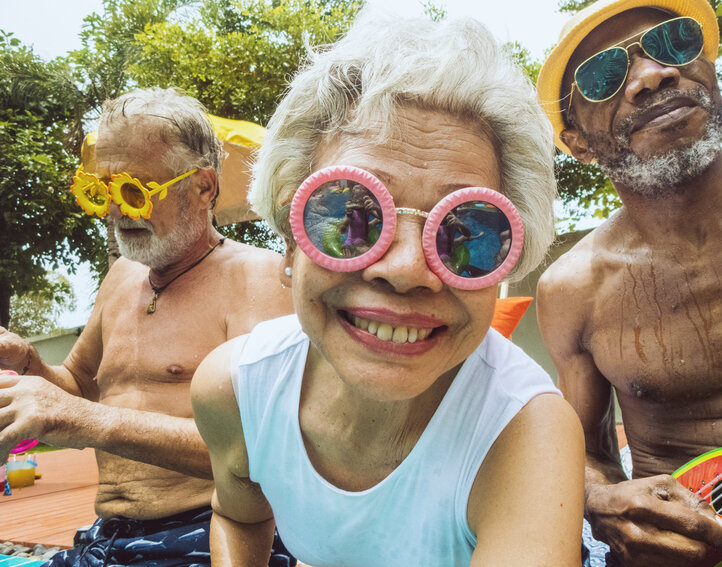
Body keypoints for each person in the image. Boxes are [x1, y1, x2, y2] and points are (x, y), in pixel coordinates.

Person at [190, 11, 585, 567]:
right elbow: (236, 514)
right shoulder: (237, 388)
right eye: (349, 218)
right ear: (288, 245)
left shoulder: (523, 432)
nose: (405, 269)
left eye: (467, 232)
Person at [534, 0, 722, 565]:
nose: (653, 74)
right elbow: (585, 449)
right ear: (579, 143)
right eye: (605, 76)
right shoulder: (573, 288)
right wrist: (601, 496)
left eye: (675, 42)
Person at [0, 88, 295, 566]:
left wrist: (85, 420)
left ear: (204, 187)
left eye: (135, 191)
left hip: (207, 533)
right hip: (104, 537)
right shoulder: (121, 276)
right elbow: (80, 386)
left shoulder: (255, 278)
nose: (116, 211)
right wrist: (29, 364)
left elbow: (264, 450)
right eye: (103, 191)